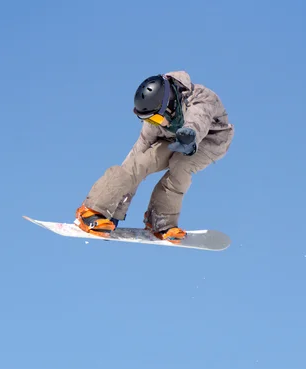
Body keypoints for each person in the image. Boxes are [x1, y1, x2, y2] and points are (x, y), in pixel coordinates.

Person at [75, 71, 234, 243]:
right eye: (149, 119)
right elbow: (133, 161)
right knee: (140, 163)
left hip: (211, 140)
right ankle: (91, 211)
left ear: (169, 103)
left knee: (180, 166)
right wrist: (114, 209)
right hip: (173, 139)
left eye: (156, 117)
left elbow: (198, 119)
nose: (154, 122)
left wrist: (190, 136)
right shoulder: (154, 123)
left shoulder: (201, 98)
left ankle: (162, 221)